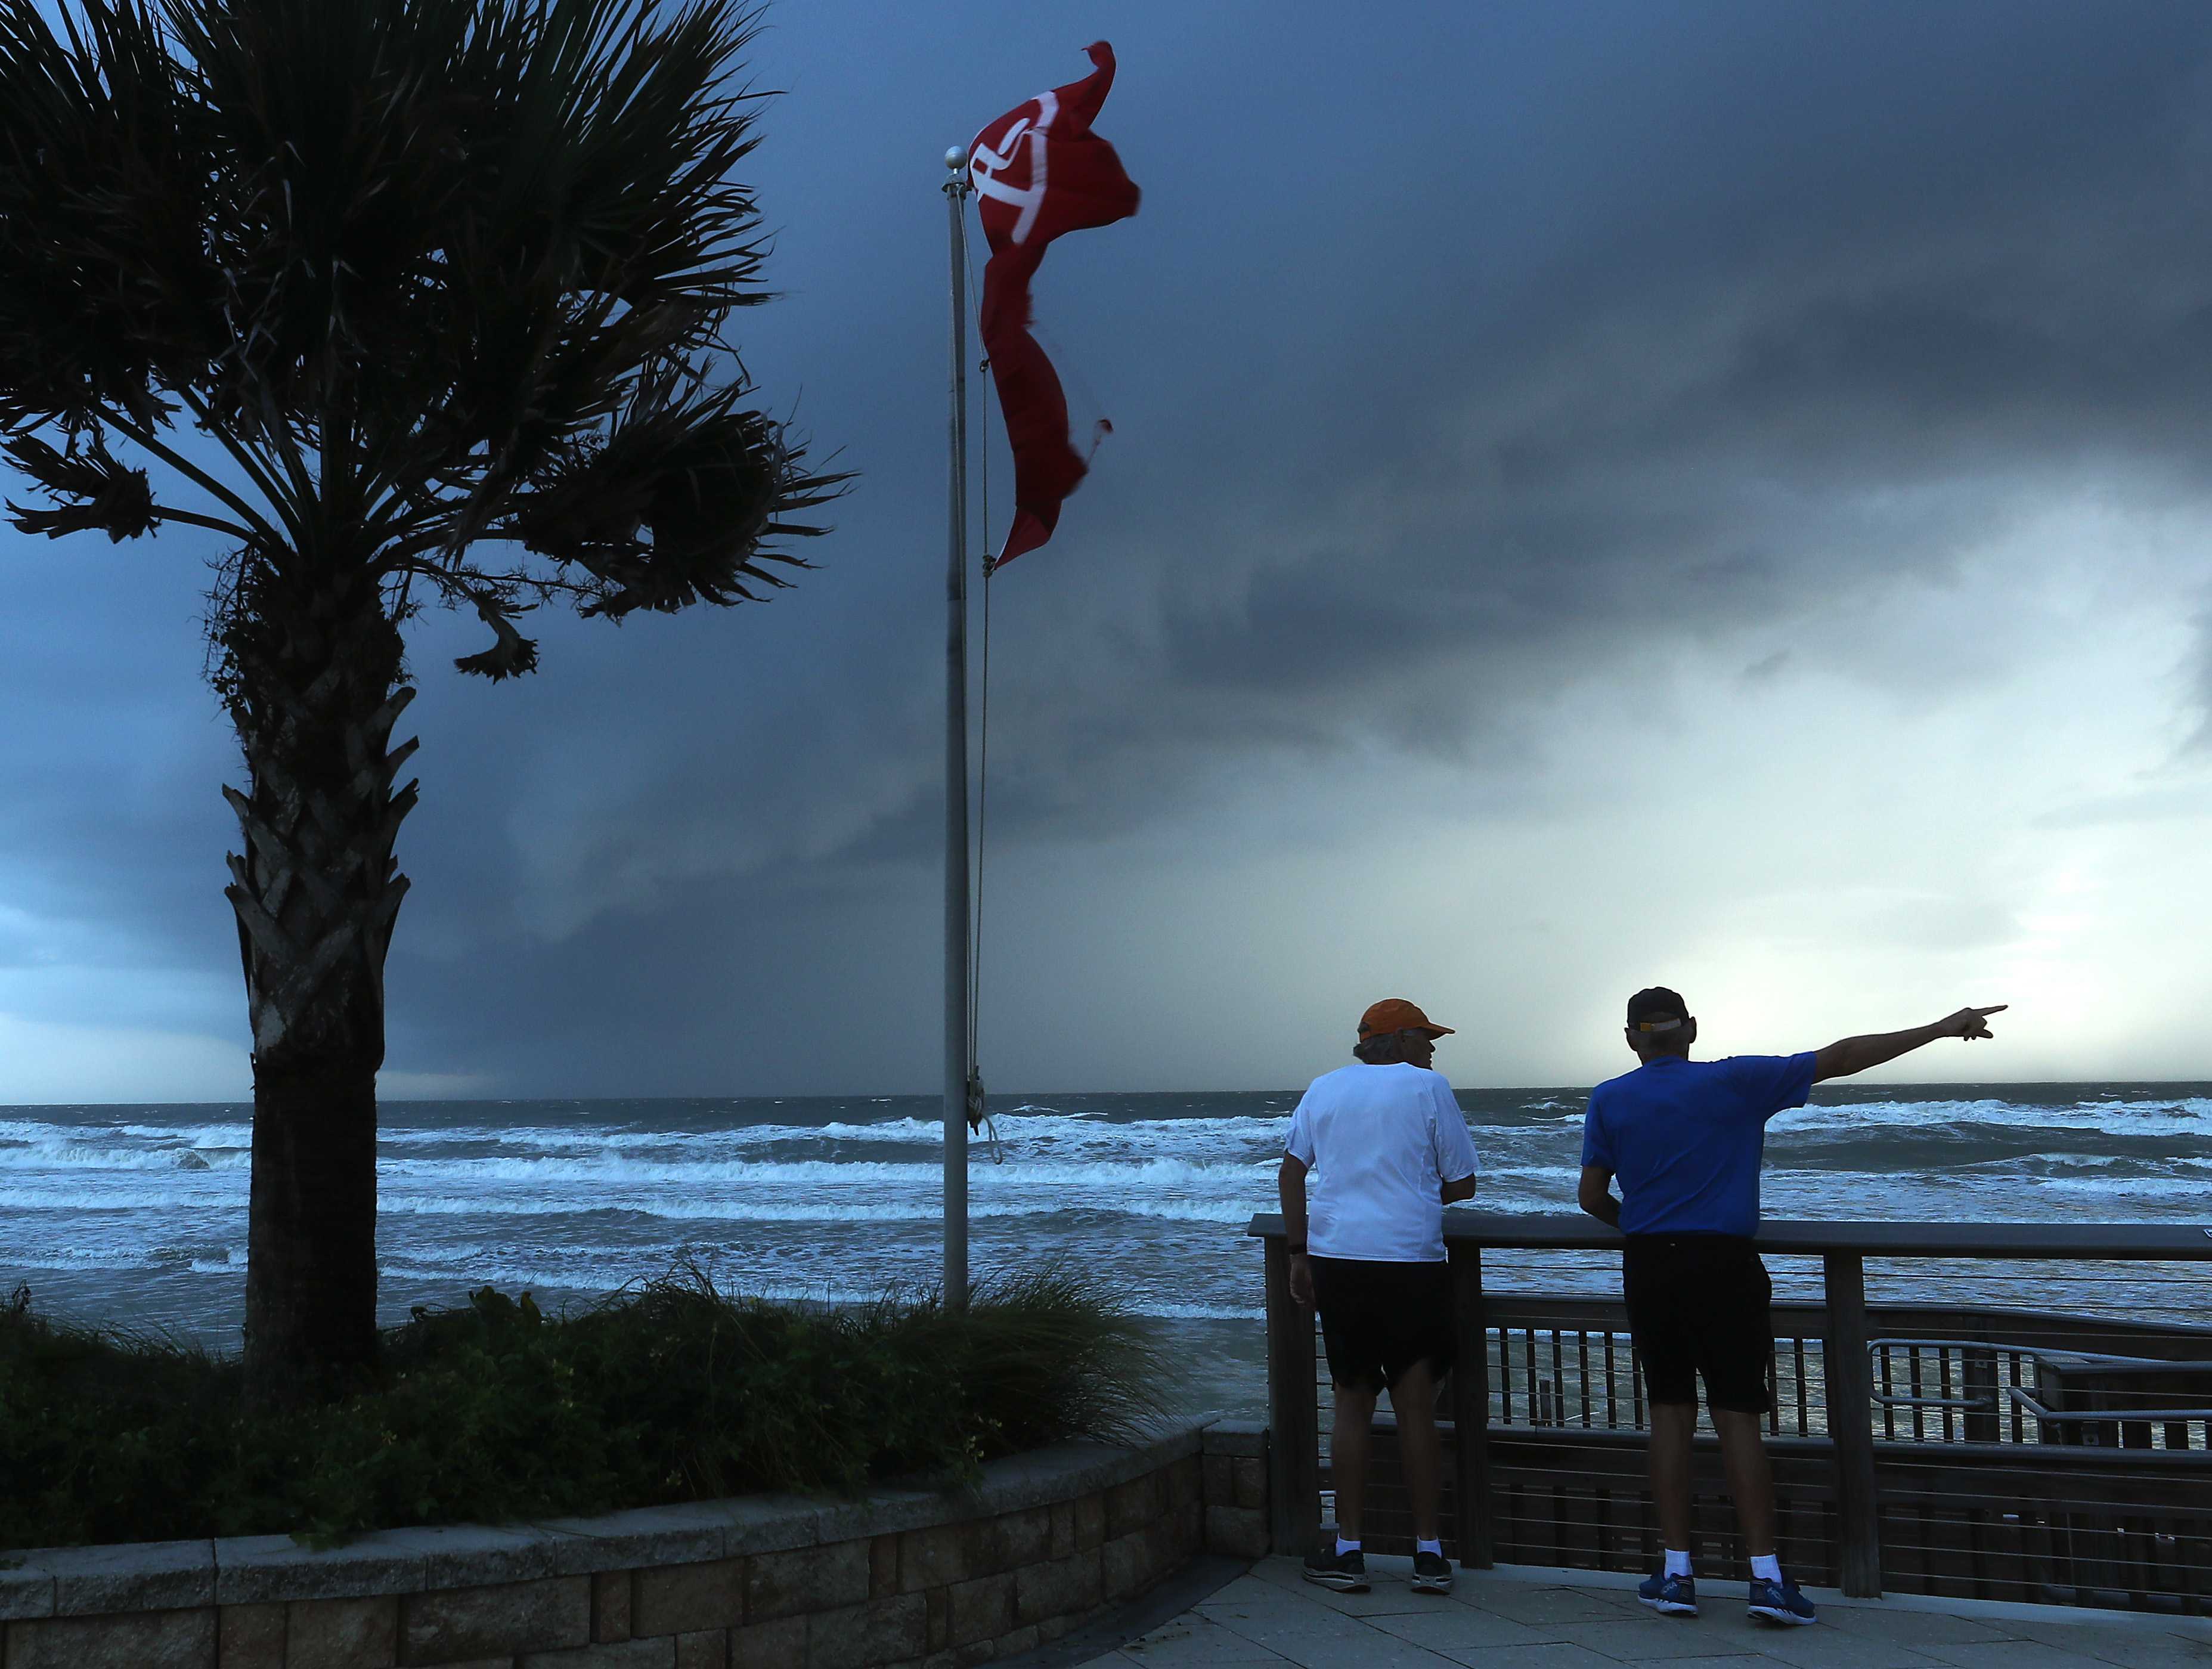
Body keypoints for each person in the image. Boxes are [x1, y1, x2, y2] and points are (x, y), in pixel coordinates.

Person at [1578, 987, 2004, 1628]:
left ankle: (1674, 1575)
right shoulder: (1739, 1080)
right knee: (1737, 1419)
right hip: (1721, 1263)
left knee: (1667, 1413)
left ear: (1631, 1038)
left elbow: (1589, 1198)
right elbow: (1842, 1057)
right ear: (1690, 1030)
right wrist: (1941, 1027)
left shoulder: (1609, 1097)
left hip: (1649, 1264)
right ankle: (1766, 1580)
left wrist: (1641, 1225)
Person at [1280, 997, 1481, 1597]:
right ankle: (1427, 1554)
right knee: (1415, 1405)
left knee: (1350, 1403)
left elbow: (1292, 1172)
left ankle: (1347, 1550)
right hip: (1410, 1263)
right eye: (1424, 1037)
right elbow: (1462, 1181)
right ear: (1396, 1042)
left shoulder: (1322, 1088)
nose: (1433, 1048)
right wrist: (1413, 1201)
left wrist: (1297, 1253)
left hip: (1338, 1260)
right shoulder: (1428, 1088)